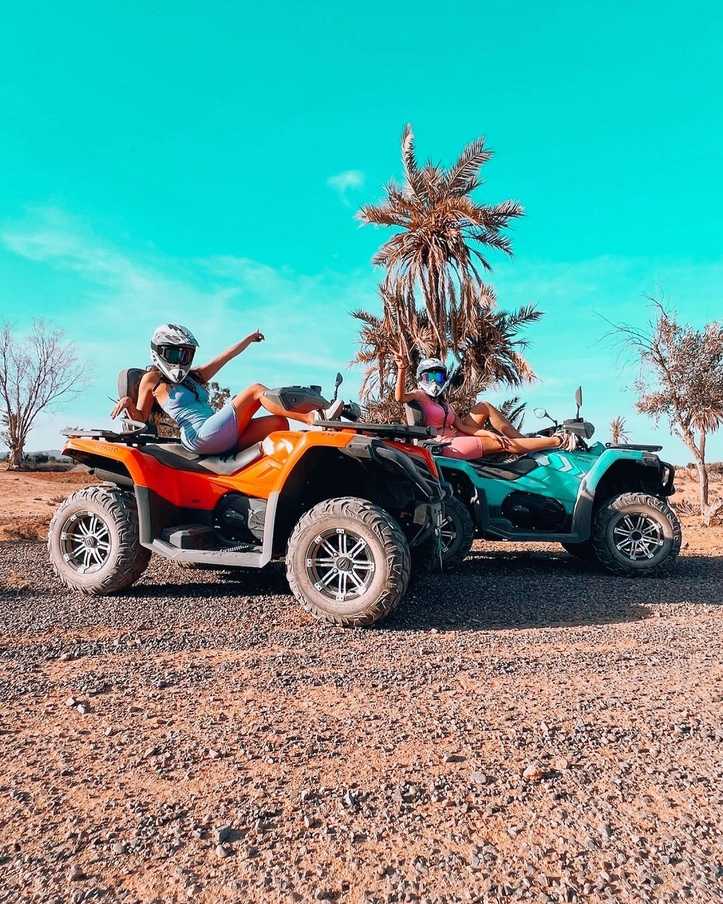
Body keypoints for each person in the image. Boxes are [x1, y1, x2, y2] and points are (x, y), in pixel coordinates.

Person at [111, 324, 344, 455]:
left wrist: (249, 338)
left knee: (278, 424)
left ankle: (313, 447)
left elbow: (227, 356)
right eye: (175, 353)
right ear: (159, 352)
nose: (181, 359)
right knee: (254, 390)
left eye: (186, 354)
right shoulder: (151, 379)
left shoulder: (195, 377)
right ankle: (314, 419)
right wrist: (128, 403)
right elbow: (140, 418)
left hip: (217, 432)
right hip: (198, 436)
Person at [394, 354, 577, 460]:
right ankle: (559, 441)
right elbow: (399, 397)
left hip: (457, 436)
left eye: (438, 377)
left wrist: (489, 433)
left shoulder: (444, 402)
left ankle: (524, 442)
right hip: (443, 445)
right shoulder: (418, 394)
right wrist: (402, 369)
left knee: (484, 406)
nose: (434, 382)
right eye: (429, 377)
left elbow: (463, 427)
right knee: (503, 444)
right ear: (421, 378)